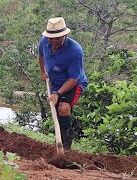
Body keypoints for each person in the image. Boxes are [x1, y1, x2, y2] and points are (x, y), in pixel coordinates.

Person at [38, 17, 88, 150]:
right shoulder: (44, 41)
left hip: (73, 83)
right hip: (56, 81)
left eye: (58, 38)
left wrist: (57, 94)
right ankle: (59, 140)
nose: (54, 41)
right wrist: (43, 72)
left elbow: (73, 79)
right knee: (56, 110)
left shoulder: (75, 50)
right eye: (51, 38)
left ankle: (66, 146)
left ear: (65, 35)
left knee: (64, 108)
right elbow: (41, 56)